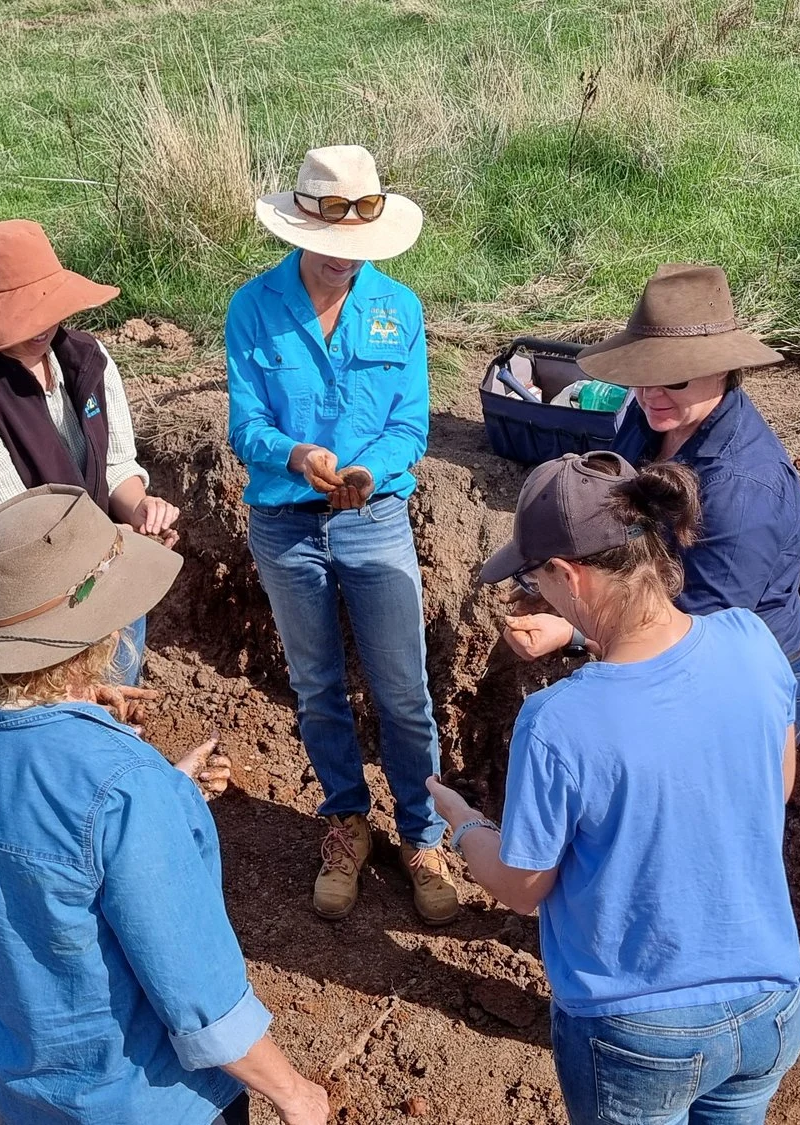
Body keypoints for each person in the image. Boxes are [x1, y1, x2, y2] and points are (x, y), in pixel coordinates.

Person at [0, 484, 332, 1125]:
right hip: (147, 1101)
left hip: (19, 1086)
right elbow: (200, 998)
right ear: (96, 635)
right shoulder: (127, 787)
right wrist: (295, 1094)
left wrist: (163, 797)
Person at [429, 451, 800, 1125]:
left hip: (637, 1030)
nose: (534, 593)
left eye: (535, 577)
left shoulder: (556, 722)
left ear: (569, 576)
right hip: (770, 1007)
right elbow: (775, 784)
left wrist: (463, 825)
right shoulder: (751, 640)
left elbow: (523, 889)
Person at [224, 144, 460, 924]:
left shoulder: (402, 308)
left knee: (404, 694)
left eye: (356, 249)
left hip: (375, 518)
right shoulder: (252, 308)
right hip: (286, 525)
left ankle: (423, 835)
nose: (341, 261)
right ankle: (346, 820)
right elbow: (245, 423)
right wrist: (292, 452)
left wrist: (368, 470)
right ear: (298, 228)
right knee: (318, 686)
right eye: (328, 245)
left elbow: (410, 423)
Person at [501, 264, 800, 738]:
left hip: (741, 688)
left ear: (722, 369)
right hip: (668, 650)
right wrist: (547, 586)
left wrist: (573, 633)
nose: (650, 394)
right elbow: (611, 516)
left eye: (672, 379)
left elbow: (696, 640)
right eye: (640, 376)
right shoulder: (657, 414)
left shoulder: (742, 490)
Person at [0, 218, 179, 685]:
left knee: (116, 716)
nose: (40, 327)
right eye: (22, 316)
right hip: (21, 627)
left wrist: (139, 509)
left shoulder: (88, 358)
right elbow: (14, 527)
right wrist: (115, 542)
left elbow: (116, 465)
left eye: (45, 309)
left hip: (106, 587)